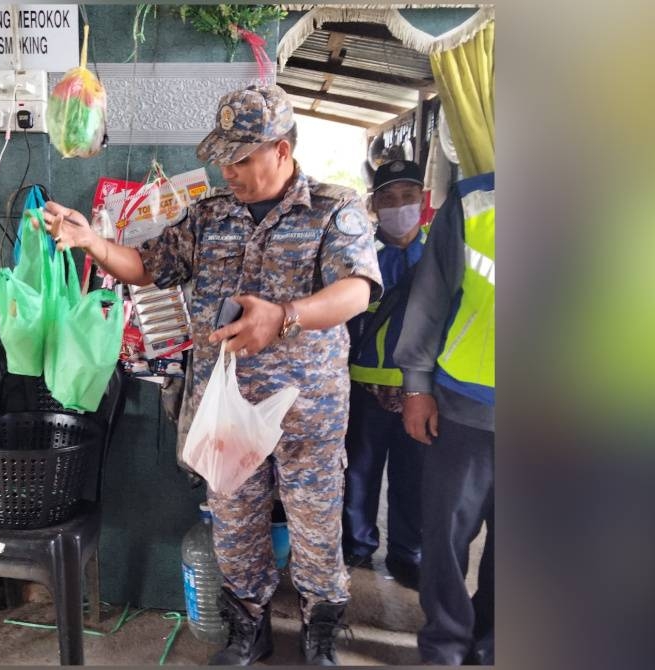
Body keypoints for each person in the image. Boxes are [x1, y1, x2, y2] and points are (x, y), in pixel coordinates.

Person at [41, 85, 383, 666]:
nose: (229, 170)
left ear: (281, 149)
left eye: (243, 158)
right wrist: (94, 242)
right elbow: (148, 267)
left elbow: (356, 290)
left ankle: (320, 632)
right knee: (234, 525)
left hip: (306, 410)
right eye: (223, 156)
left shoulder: (334, 207)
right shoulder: (210, 214)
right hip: (224, 408)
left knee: (316, 528)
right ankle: (248, 630)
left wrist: (285, 317)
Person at [393, 170, 494, 665]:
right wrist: (416, 385)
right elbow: (430, 298)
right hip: (466, 404)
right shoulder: (476, 200)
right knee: (447, 533)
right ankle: (446, 643)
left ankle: (494, 642)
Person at [342, 159, 428, 590]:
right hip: (364, 388)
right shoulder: (357, 254)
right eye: (388, 199)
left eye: (407, 197)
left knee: (413, 480)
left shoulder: (440, 256)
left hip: (422, 392)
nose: (399, 207)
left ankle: (406, 554)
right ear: (374, 205)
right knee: (359, 472)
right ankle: (357, 545)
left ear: (423, 200)